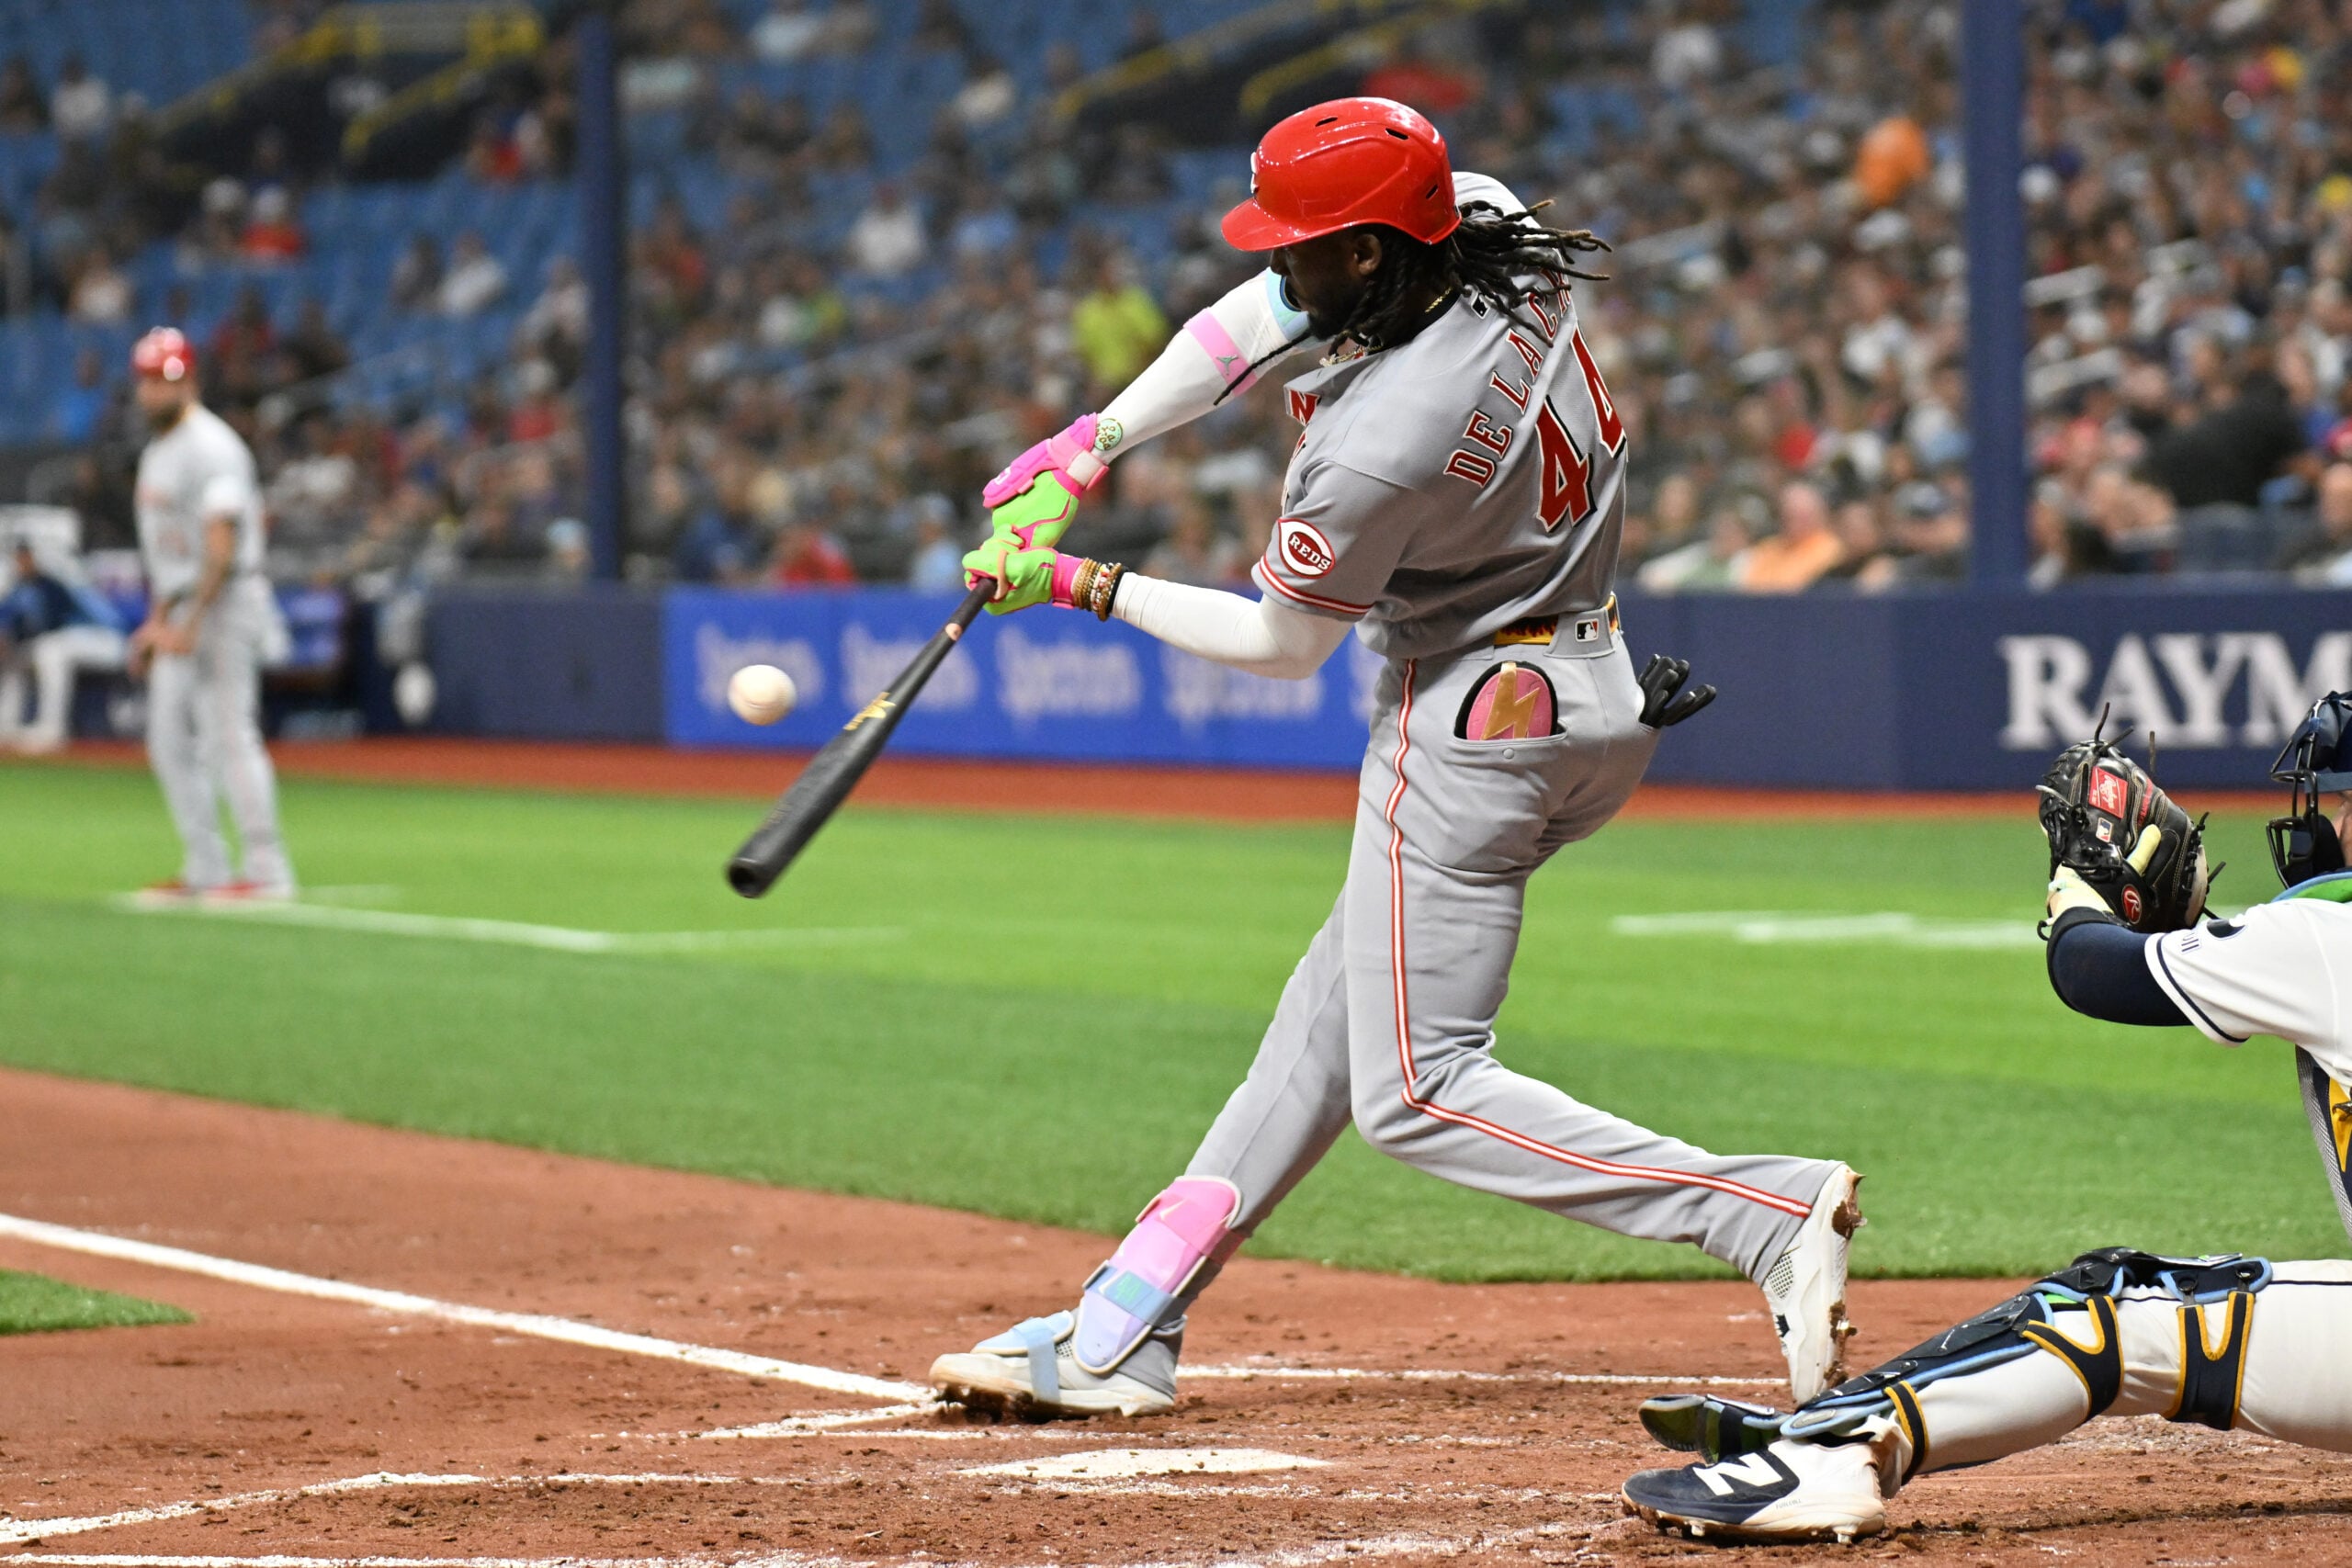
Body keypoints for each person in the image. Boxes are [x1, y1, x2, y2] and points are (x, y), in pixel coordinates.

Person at [928, 98, 1863, 1422]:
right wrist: (1097, 441)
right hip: (1585, 680)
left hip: (1476, 721)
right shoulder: (1486, 225)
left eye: (1303, 244)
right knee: (1323, 1023)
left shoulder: (1383, 442)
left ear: (1370, 252)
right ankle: (1121, 1325)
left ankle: (1761, 1210)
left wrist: (1078, 581)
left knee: (1418, 1091)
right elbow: (1263, 323)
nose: (1278, 266)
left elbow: (1277, 645)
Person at [1619, 694, 2352, 1544]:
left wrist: (2083, 891)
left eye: (2343, 798)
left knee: (2119, 1305)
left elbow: (2090, 970)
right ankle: (1839, 1424)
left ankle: (1833, 1453)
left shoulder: (2326, 936)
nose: (2327, 821)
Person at [123, 327, 296, 903]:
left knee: (228, 736)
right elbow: (165, 553)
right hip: (181, 607)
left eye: (164, 379)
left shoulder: (212, 446)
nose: (154, 391)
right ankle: (206, 868)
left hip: (222, 604)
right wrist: (156, 621)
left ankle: (267, 869)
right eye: (147, 380)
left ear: (190, 379)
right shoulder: (157, 451)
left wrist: (191, 619)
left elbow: (220, 546)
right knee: (167, 741)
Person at [0, 538, 124, 753]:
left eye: (26, 556)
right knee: (17, 657)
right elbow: (12, 625)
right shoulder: (18, 589)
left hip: (103, 639)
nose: (22, 562)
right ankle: (6, 725)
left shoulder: (54, 584)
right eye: (19, 558)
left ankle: (52, 729)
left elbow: (51, 622)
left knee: (51, 650)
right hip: (65, 642)